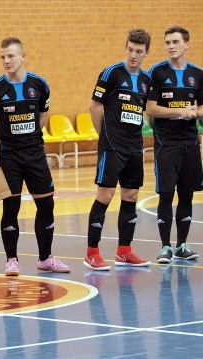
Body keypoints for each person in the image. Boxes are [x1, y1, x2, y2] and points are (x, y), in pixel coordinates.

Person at [0, 37, 70, 275]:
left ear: (23, 56)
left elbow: (42, 116)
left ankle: (46, 258)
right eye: (2, 57)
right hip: (9, 156)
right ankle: (12, 260)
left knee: (46, 205)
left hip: (35, 155)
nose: (6, 61)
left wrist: (31, 138)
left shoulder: (40, 84)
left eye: (10, 56)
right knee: (10, 208)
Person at [83, 29, 153, 270]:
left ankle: (124, 251)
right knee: (105, 196)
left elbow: (143, 111)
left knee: (131, 196)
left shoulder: (147, 80)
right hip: (112, 146)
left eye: (139, 52)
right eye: (130, 49)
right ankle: (92, 252)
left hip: (135, 147)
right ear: (126, 48)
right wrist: (103, 135)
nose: (133, 55)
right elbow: (94, 106)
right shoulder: (111, 73)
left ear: (146, 53)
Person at [146, 26, 203, 263]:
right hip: (166, 143)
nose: (171, 46)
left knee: (187, 194)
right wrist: (180, 110)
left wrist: (195, 113)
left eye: (175, 42)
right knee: (166, 195)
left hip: (190, 142)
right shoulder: (156, 72)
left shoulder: (198, 74)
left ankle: (182, 245)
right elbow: (150, 109)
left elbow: (201, 108)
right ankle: (165, 247)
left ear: (186, 44)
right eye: (167, 42)